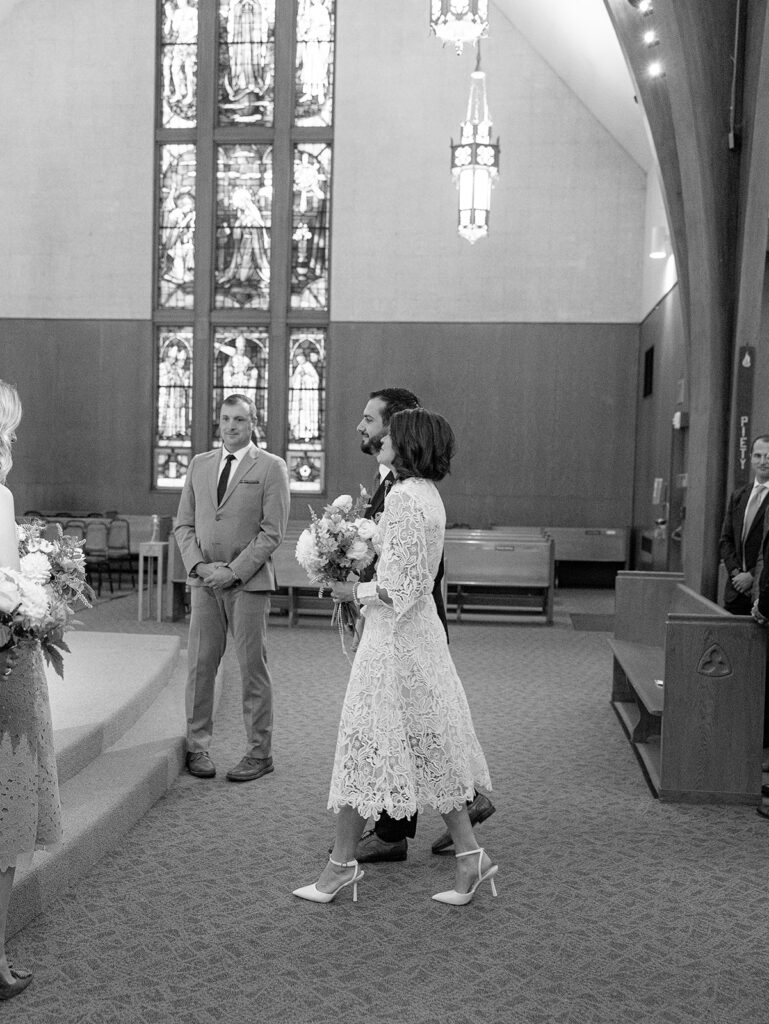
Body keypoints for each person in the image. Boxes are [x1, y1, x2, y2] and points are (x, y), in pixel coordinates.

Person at [294, 408, 497, 906]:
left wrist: (350, 590)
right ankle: (469, 856)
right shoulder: (429, 494)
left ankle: (339, 868)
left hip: (395, 641)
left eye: (391, 433)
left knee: (365, 743)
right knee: (428, 741)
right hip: (418, 634)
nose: (381, 437)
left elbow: (399, 588)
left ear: (408, 444)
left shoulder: (405, 498)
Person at [351, 388, 494, 865]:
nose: (365, 428)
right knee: (421, 725)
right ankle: (463, 837)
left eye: (373, 421)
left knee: (397, 727)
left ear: (401, 433)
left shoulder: (407, 494)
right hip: (410, 622)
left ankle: (378, 839)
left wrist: (352, 591)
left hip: (404, 626)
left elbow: (407, 581)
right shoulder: (411, 489)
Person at [175, 393, 290, 782]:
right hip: (204, 581)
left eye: (239, 420)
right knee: (201, 664)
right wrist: (200, 566)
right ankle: (197, 747)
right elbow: (184, 525)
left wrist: (234, 571)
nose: (230, 427)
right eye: (225, 419)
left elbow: (272, 532)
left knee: (251, 667)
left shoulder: (271, 467)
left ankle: (260, 753)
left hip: (248, 584)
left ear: (252, 422)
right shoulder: (200, 464)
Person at [0, 381, 63, 999]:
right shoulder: (0, 495)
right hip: (8, 667)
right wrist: (38, 598)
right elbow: (8, 589)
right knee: (5, 817)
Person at [719, 435, 769, 615]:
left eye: (768, 456)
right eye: (758, 456)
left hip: (763, 594)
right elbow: (725, 540)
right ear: (750, 458)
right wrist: (736, 574)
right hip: (736, 592)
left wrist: (752, 576)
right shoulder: (739, 496)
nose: (763, 461)